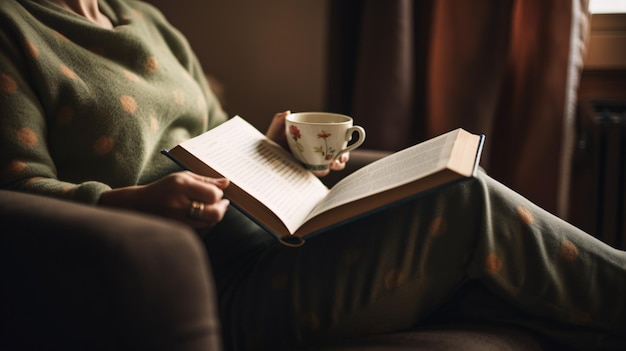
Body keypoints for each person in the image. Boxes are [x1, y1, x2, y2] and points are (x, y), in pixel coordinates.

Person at [0, 1, 624, 350]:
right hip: (211, 280)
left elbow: (219, 132)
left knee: (445, 184)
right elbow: (20, 192)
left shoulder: (143, 18)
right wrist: (137, 204)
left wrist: (273, 148)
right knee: (464, 204)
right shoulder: (13, 29)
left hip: (277, 237)